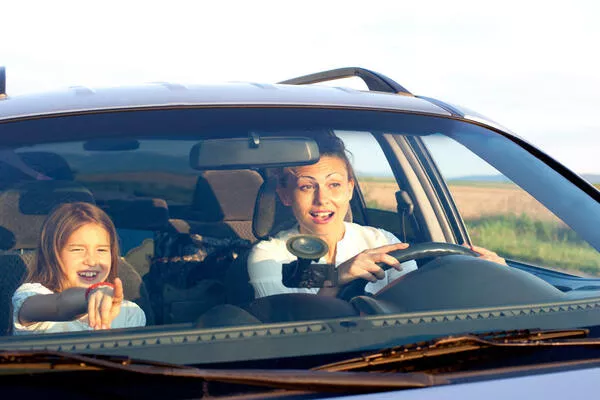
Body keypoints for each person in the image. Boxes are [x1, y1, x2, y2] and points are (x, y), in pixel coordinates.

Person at [248, 134, 506, 299]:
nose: (322, 199)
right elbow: (292, 330)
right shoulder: (269, 255)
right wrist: (337, 277)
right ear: (285, 196)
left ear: (350, 188)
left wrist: (484, 276)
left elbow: (412, 303)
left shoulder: (380, 241)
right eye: (306, 186)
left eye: (334, 185)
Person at [11, 202, 146, 335]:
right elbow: (60, 306)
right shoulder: (29, 297)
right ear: (52, 254)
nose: (92, 261)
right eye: (77, 249)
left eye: (102, 250)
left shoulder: (129, 313)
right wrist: (91, 295)